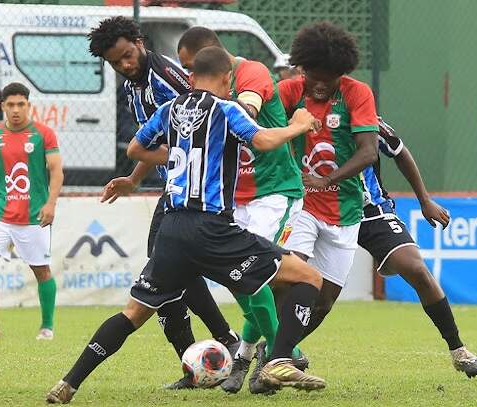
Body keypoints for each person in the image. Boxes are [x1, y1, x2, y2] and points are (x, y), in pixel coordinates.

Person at [46, 46, 325, 404]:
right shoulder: (227, 108)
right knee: (308, 278)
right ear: (227, 80)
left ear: (191, 77)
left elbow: (134, 148)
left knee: (133, 314)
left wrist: (148, 170)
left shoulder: (168, 109)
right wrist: (297, 126)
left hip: (172, 230)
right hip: (213, 230)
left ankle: (68, 383)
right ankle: (280, 359)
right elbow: (263, 141)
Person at [87, 16, 240, 390]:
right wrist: (133, 179)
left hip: (196, 191)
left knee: (164, 269)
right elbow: (156, 141)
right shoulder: (133, 87)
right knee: (167, 271)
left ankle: (225, 340)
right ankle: (199, 362)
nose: (124, 65)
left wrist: (167, 160)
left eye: (126, 55)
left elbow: (200, 130)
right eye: (115, 62)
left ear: (139, 42)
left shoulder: (167, 78)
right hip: (173, 188)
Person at [177, 26, 307, 394]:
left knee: (254, 272)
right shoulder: (204, 93)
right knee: (240, 276)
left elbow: (246, 109)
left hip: (274, 192)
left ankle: (284, 354)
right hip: (236, 198)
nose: (191, 79)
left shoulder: (251, 73)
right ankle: (253, 354)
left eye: (194, 68)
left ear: (214, 60)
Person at [276, 21, 378, 353]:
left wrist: (327, 179)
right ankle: (264, 355)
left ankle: (276, 351)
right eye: (312, 75)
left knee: (323, 303)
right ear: (302, 67)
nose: (319, 84)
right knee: (286, 279)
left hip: (345, 210)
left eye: (327, 78)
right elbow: (262, 137)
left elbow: (368, 151)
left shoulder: (356, 92)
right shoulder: (288, 91)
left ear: (341, 71)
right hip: (300, 205)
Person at [358, 117, 477, 377]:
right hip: (320, 211)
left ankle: (458, 350)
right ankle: (272, 353)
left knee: (416, 269)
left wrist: (424, 199)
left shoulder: (363, 111)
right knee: (312, 293)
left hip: (372, 212)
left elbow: (398, 149)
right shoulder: (297, 114)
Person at [0, 82, 63, 340]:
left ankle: (47, 327)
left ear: (28, 106)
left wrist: (51, 203)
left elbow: (56, 170)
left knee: (41, 270)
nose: (15, 110)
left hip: (34, 216)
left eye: (20, 105)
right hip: (1, 213)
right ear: (2, 107)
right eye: (10, 105)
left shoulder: (43, 134)